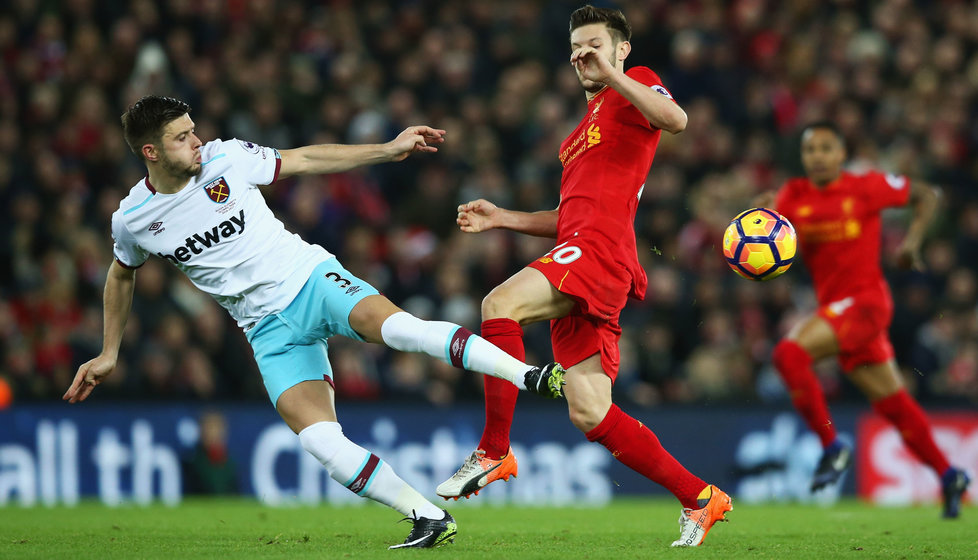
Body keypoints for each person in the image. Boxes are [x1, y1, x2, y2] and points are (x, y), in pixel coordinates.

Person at [62, 95, 566, 549]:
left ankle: (532, 376)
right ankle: (427, 516)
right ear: (150, 152)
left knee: (399, 329)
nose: (196, 141)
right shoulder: (133, 219)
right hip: (265, 330)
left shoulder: (226, 158)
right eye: (182, 137)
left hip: (309, 279)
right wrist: (110, 351)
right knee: (320, 441)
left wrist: (387, 150)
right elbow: (121, 274)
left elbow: (304, 158)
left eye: (193, 130)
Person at [435, 6, 731, 548]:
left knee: (498, 304)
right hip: (581, 249)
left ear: (621, 49)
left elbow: (678, 121)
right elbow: (568, 216)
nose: (580, 55)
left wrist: (617, 76)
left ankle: (494, 450)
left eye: (593, 44)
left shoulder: (636, 84)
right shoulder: (577, 135)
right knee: (589, 409)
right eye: (575, 47)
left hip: (598, 255)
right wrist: (503, 217)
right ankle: (700, 497)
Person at [758, 121, 970, 518]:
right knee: (895, 406)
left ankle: (831, 447)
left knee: (789, 354)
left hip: (866, 303)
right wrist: (760, 218)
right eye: (810, 150)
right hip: (837, 311)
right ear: (803, 158)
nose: (817, 157)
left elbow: (927, 195)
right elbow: (771, 236)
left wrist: (912, 241)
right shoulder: (793, 196)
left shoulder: (866, 186)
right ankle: (949, 475)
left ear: (841, 155)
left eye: (826, 148)